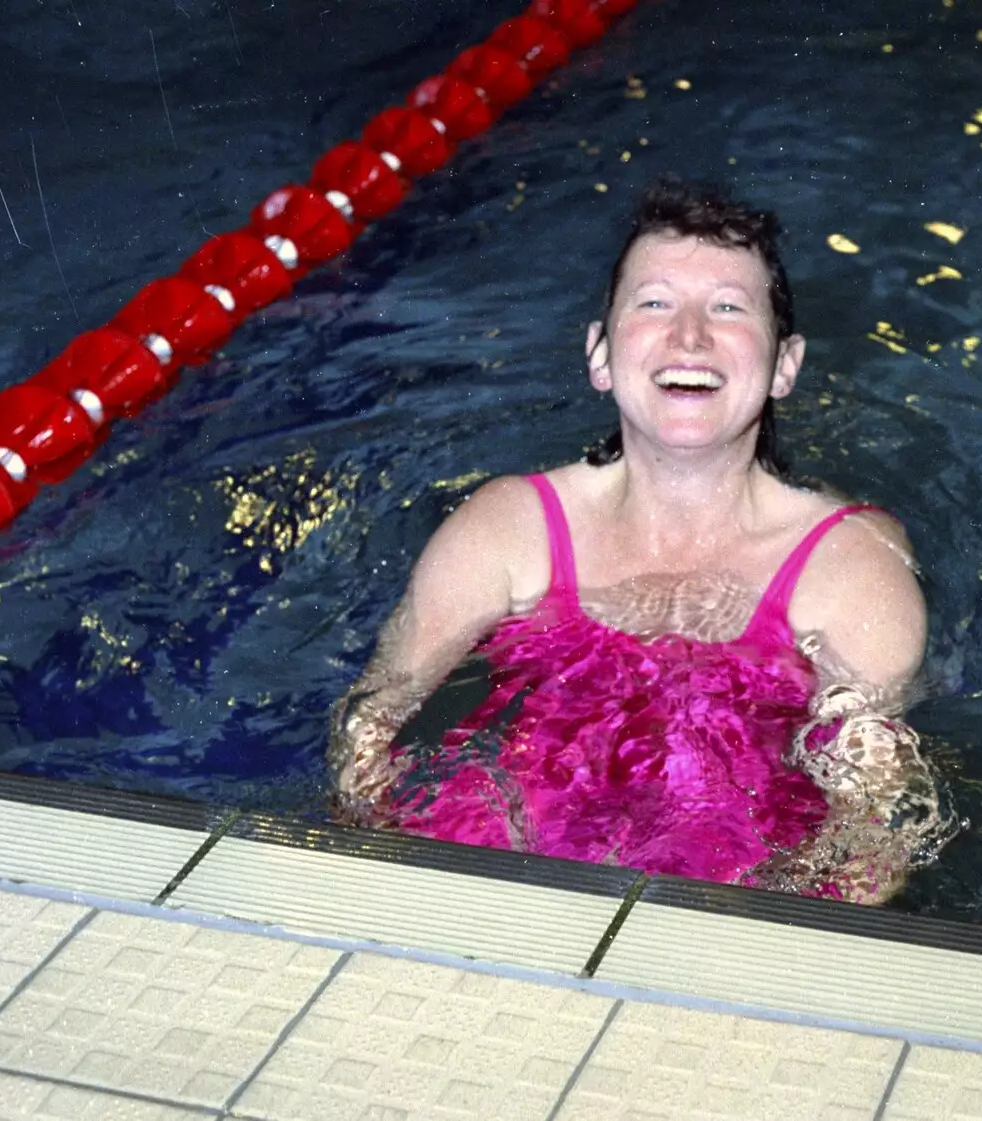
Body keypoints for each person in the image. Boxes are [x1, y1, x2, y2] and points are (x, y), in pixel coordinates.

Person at [328, 178, 949, 903]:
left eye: (729, 307)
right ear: (599, 354)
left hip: (730, 899)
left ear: (785, 365)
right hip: (491, 876)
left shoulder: (850, 568)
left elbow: (878, 823)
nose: (690, 335)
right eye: (654, 302)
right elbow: (371, 724)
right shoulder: (507, 528)